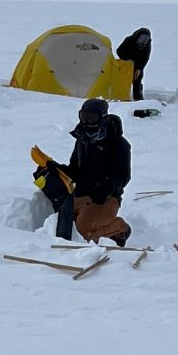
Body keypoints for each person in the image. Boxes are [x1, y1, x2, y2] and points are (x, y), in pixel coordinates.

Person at [65, 96, 132, 245]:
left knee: (83, 233)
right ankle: (99, 226)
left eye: (91, 118)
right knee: (64, 220)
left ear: (102, 118)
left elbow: (123, 176)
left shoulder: (118, 144)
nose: (86, 122)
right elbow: (74, 169)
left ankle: (120, 228)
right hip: (83, 192)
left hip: (106, 197)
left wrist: (107, 187)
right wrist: (54, 167)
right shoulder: (82, 140)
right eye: (83, 117)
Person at [115, 26, 152, 106]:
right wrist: (128, 60)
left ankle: (138, 100)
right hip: (126, 66)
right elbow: (119, 51)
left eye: (143, 44)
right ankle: (122, 100)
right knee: (124, 82)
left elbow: (146, 58)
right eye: (140, 42)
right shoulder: (129, 40)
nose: (141, 46)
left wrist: (139, 69)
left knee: (137, 82)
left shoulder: (148, 45)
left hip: (138, 65)